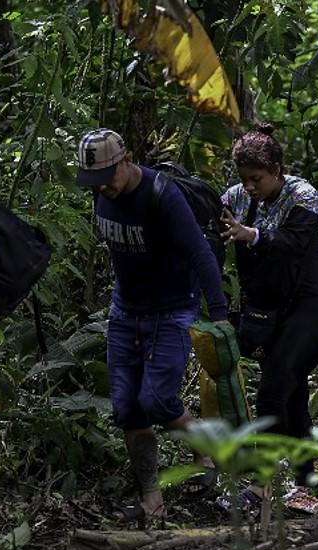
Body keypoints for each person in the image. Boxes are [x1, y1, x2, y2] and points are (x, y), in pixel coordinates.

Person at [76, 128, 229, 520]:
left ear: (127, 161)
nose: (103, 188)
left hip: (172, 308)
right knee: (128, 409)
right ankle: (151, 500)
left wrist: (221, 313)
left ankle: (205, 454)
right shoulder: (102, 192)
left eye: (108, 176)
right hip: (126, 310)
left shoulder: (162, 195)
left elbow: (199, 253)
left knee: (158, 400)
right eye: (94, 181)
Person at [220, 124, 318, 487]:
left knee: (272, 391)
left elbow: (292, 242)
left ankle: (262, 484)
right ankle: (306, 483)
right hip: (268, 313)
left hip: (310, 308)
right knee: (293, 395)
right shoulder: (235, 198)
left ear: (277, 170)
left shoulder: (302, 195)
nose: (250, 188)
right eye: (245, 180)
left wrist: (250, 235)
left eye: (257, 179)